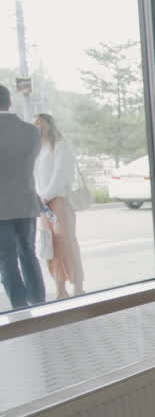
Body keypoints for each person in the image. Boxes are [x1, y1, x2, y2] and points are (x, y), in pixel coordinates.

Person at [0, 84, 46, 310]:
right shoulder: (31, 131)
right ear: (9, 102)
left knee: (6, 258)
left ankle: (19, 309)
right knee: (28, 252)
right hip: (26, 202)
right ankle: (38, 301)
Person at [33, 113, 85, 298]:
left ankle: (77, 286)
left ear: (49, 124)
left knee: (66, 243)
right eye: (35, 123)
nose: (37, 126)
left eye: (41, 122)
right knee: (50, 246)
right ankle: (60, 290)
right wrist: (40, 198)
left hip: (59, 201)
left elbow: (60, 175)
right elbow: (36, 176)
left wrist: (45, 196)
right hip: (43, 203)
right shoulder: (38, 148)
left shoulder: (60, 146)